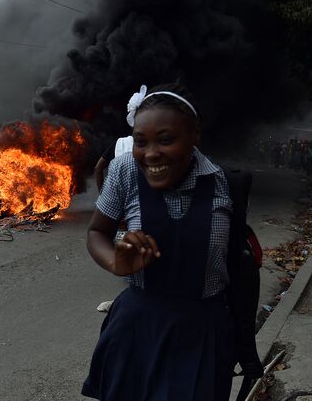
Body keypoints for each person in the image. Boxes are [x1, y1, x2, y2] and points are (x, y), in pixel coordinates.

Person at [81, 83, 236, 401]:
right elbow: (97, 232)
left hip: (201, 333)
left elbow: (239, 266)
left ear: (195, 135)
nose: (151, 154)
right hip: (136, 328)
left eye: (165, 140)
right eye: (141, 142)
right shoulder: (124, 170)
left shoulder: (223, 183)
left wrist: (244, 346)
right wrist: (116, 260)